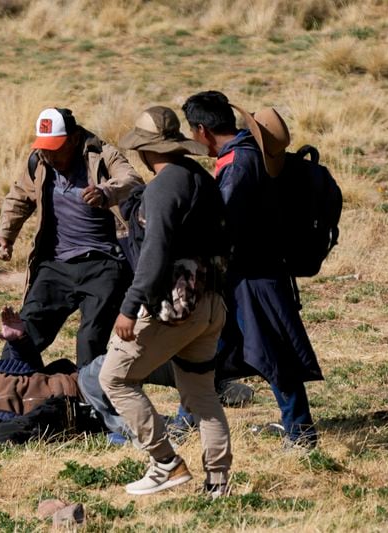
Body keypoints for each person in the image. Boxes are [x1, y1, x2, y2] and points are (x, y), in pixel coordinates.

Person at [99, 106, 232, 497]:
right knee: (202, 396)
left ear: (145, 149)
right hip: (211, 304)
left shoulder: (161, 188)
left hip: (174, 308)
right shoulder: (199, 179)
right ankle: (218, 484)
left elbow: (155, 254)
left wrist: (129, 307)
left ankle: (165, 462)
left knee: (114, 378)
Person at [181, 91, 324, 450]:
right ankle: (185, 420)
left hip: (253, 276)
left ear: (201, 130)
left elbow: (223, 223)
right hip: (248, 273)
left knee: (273, 352)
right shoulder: (249, 155)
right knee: (211, 349)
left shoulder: (238, 165)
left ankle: (301, 432)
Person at [0, 107, 143, 370]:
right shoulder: (38, 162)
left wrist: (106, 192)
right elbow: (19, 197)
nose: (49, 155)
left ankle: (87, 399)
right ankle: (6, 385)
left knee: (90, 339)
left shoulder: (101, 155)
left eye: (56, 147)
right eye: (45, 148)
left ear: (73, 138)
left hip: (104, 263)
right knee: (27, 327)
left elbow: (132, 181)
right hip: (57, 263)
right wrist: (5, 234)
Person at [0, 356, 179, 447]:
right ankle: (187, 423)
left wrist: (19, 339)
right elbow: (11, 433)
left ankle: (193, 374)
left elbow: (26, 366)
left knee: (119, 360)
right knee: (151, 430)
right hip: (86, 418)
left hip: (79, 383)